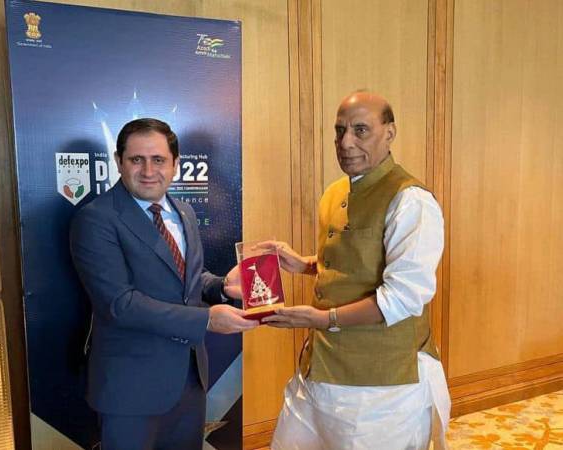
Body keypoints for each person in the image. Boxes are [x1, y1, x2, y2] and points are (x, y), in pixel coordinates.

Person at [260, 91, 450, 449]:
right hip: (321, 365)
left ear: (389, 133)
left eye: (361, 130)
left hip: (381, 383)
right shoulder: (335, 192)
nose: (346, 143)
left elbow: (403, 297)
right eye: (340, 130)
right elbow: (356, 262)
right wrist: (304, 264)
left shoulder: (412, 201)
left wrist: (322, 318)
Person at [69, 118, 258, 450]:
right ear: (118, 162)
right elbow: (119, 304)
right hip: (130, 389)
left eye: (158, 160)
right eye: (136, 159)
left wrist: (220, 287)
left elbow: (185, 278)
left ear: (175, 164)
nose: (148, 171)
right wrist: (206, 319)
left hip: (189, 380)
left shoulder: (183, 211)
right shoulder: (96, 218)